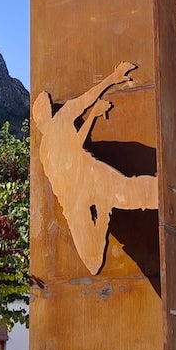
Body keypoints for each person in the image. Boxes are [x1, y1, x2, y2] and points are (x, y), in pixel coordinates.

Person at [32, 61, 158, 275]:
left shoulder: (62, 118)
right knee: (92, 262)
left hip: (91, 174)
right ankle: (104, 211)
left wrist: (111, 79)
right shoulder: (45, 150)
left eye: (45, 108)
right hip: (75, 202)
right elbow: (74, 149)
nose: (44, 115)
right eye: (41, 113)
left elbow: (86, 100)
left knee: (130, 191)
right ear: (39, 120)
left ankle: (170, 192)